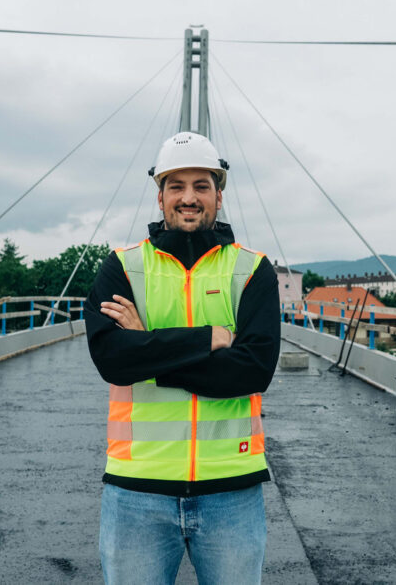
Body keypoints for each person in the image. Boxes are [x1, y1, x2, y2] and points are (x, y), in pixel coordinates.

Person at [84, 131, 281, 585]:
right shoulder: (123, 266)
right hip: (137, 488)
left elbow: (252, 371)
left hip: (231, 486)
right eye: (177, 185)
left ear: (218, 194)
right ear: (159, 196)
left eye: (201, 186)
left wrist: (147, 345)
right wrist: (208, 338)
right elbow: (113, 360)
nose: (188, 198)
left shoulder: (251, 270)